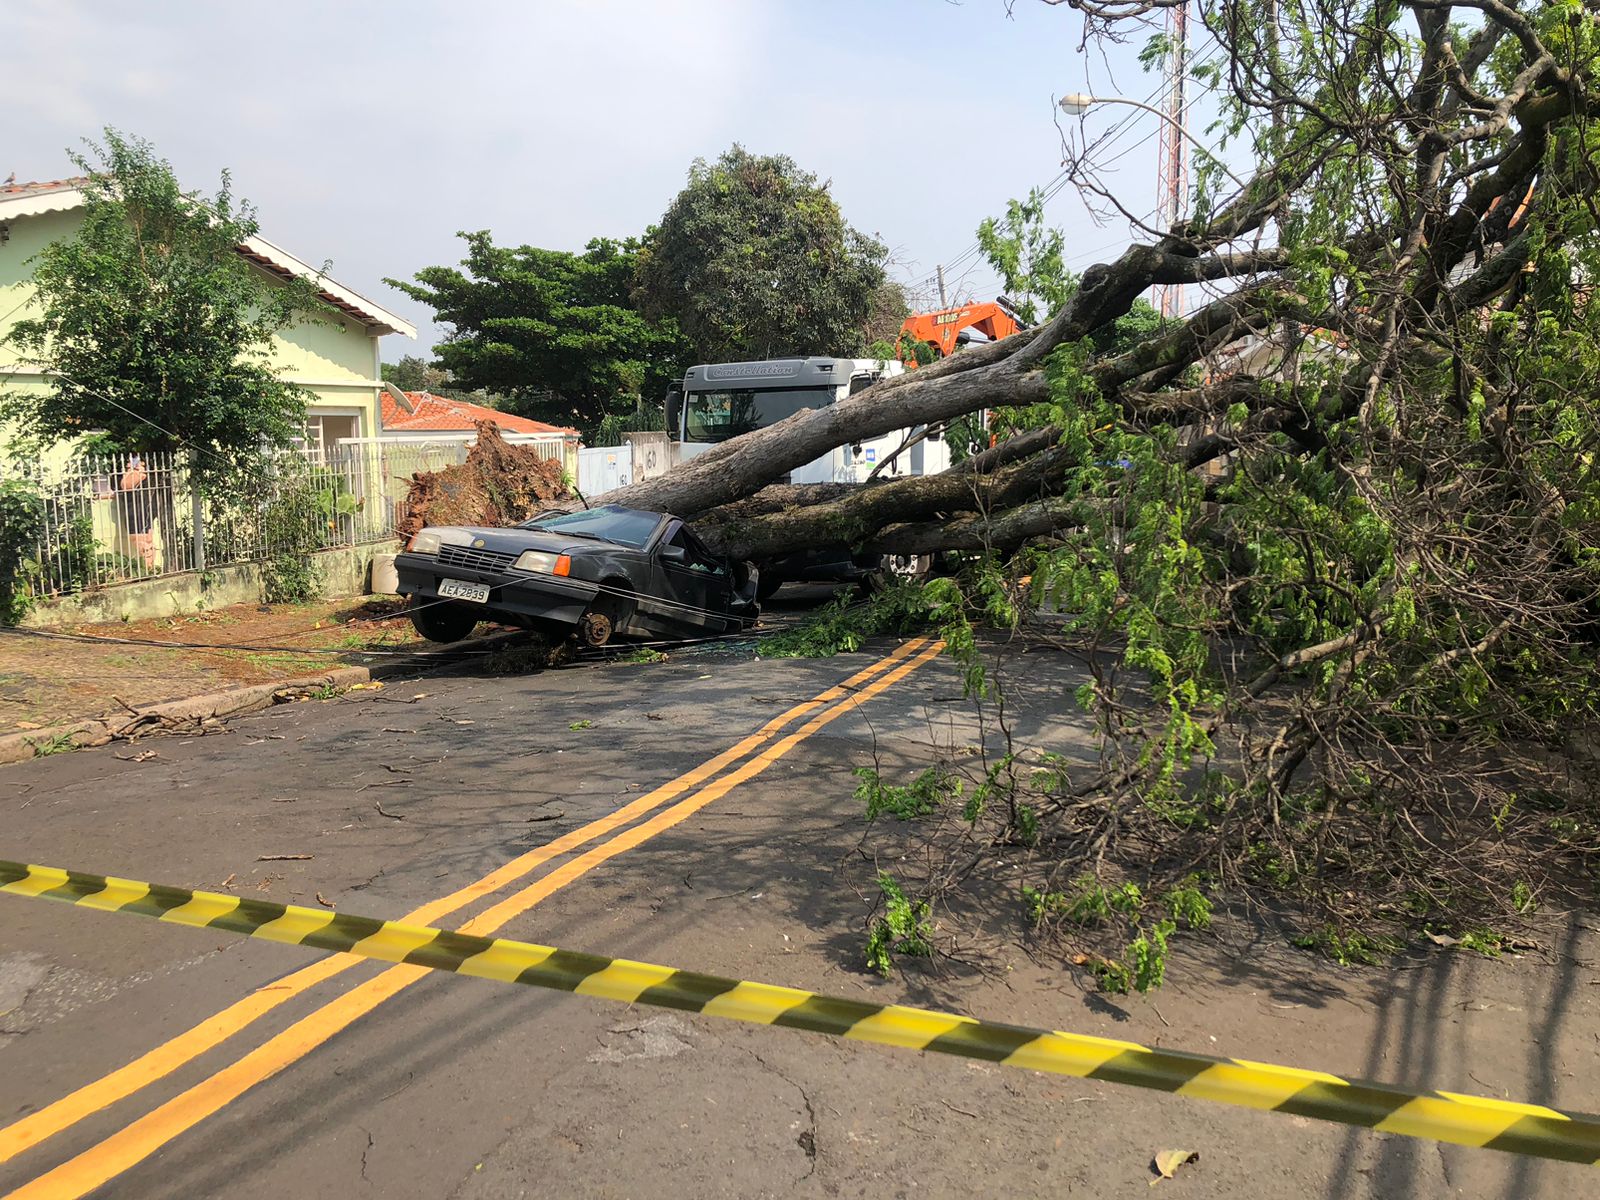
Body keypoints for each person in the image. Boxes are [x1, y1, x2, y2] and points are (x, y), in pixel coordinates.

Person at [117, 454, 158, 571]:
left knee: (144, 545)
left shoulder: (138, 475)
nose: (128, 466)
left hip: (139, 514)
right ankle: (148, 569)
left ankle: (148, 569)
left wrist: (133, 471)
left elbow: (125, 485)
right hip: (136, 514)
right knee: (143, 544)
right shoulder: (135, 476)